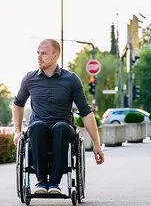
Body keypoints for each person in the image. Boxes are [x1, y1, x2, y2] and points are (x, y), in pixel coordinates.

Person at [12, 39, 104, 195]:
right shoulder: (29, 79)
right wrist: (17, 131)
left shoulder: (71, 79)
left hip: (63, 128)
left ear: (55, 56)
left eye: (44, 54)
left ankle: (54, 183)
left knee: (61, 127)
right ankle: (41, 183)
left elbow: (85, 112)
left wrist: (96, 144)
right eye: (38, 53)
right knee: (37, 126)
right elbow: (18, 104)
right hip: (38, 128)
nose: (39, 57)